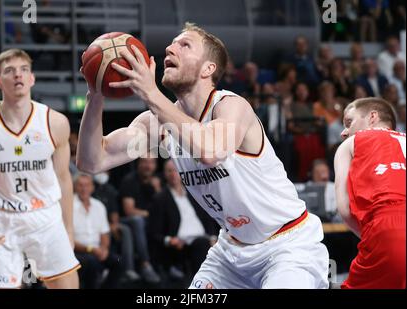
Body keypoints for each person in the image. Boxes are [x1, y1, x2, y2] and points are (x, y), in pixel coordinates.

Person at [77, 23, 329, 288]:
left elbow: (211, 151)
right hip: (231, 253)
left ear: (208, 69)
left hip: (287, 245)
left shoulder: (231, 106)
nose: (169, 48)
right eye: (172, 44)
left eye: (184, 45)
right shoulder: (158, 124)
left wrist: (152, 94)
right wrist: (95, 97)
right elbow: (92, 161)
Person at [0, 48, 79, 289]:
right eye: (9, 71)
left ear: (32, 78)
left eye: (24, 69)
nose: (18, 75)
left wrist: (69, 229)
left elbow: (64, 179)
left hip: (45, 216)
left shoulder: (55, 122)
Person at [334, 97, 406, 289]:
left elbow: (345, 209)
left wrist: (371, 236)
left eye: (349, 122)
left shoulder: (352, 143)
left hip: (388, 227)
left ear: (372, 117)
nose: (344, 132)